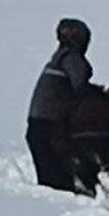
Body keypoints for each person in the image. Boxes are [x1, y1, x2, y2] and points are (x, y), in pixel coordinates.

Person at [26, 18, 93, 192]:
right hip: (51, 128)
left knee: (51, 184)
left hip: (39, 126)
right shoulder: (71, 59)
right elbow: (82, 90)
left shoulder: (57, 59)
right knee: (59, 186)